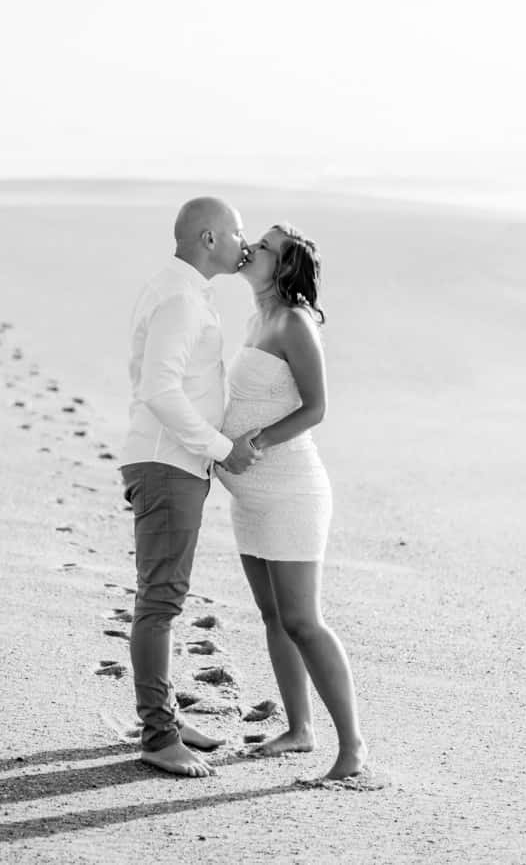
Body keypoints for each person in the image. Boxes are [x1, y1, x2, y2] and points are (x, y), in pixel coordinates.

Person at [213, 223, 386, 787]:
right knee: (273, 617)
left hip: (290, 491)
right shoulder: (255, 318)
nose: (251, 249)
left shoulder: (293, 322)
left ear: (283, 268)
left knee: (303, 621)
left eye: (264, 247)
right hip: (251, 494)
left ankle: (352, 748)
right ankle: (299, 728)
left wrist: (251, 445)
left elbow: (316, 409)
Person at [120, 196, 261, 778]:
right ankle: (156, 736)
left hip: (176, 464)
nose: (242, 242)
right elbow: (159, 388)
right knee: (160, 602)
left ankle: (168, 719)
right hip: (168, 464)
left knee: (165, 598)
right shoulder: (180, 298)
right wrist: (223, 449)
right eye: (237, 232)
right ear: (209, 238)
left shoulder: (182, 291)